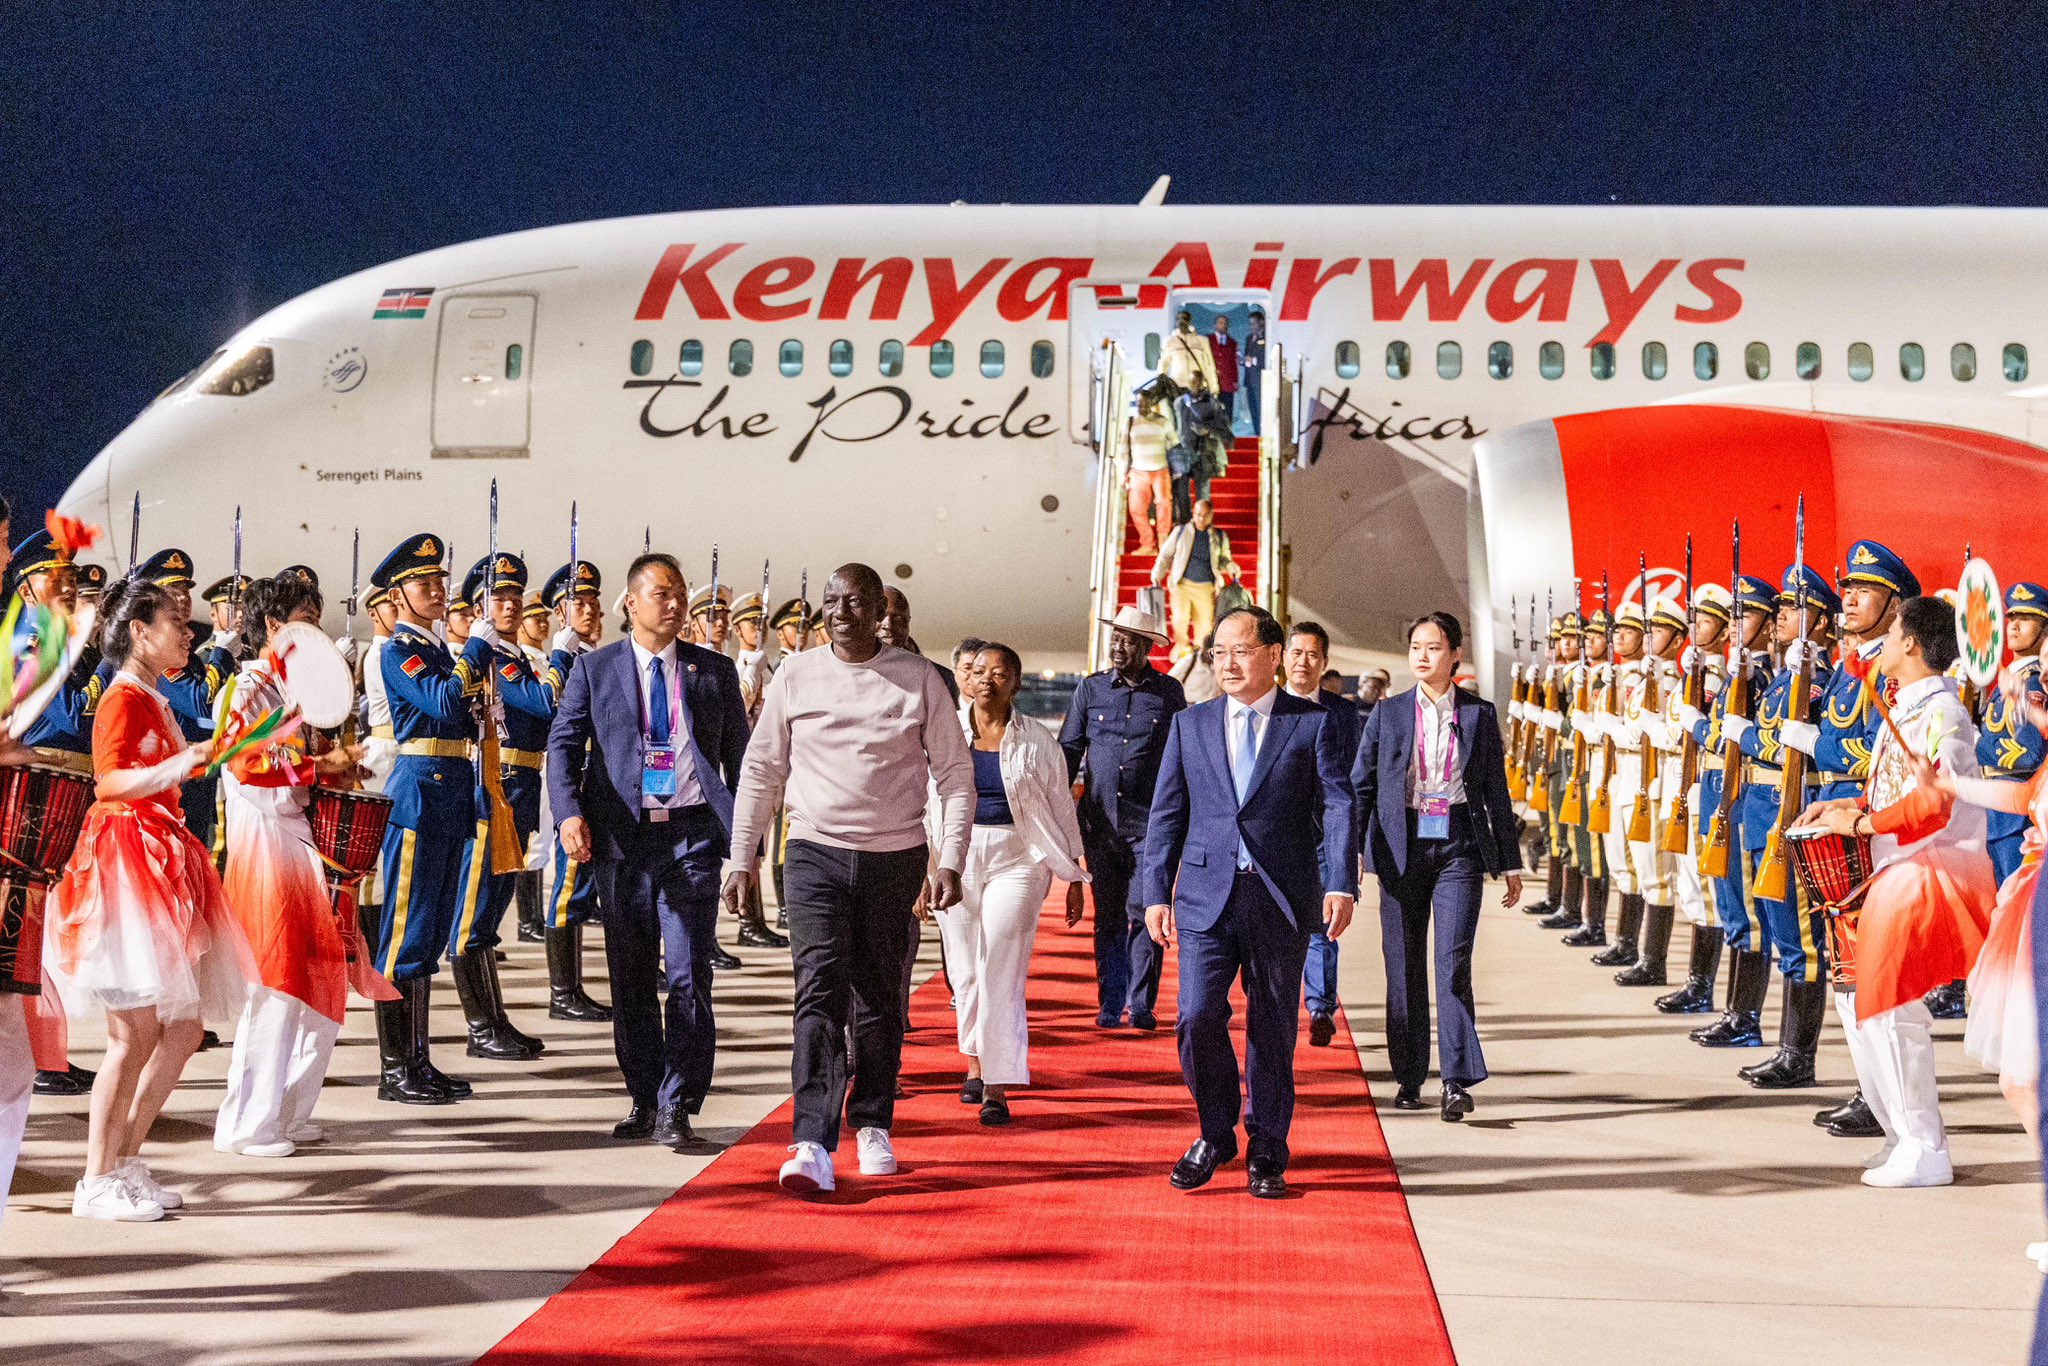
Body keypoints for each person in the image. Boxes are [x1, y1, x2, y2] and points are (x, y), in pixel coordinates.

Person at [722, 564, 972, 1195]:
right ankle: (810, 1138)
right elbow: (761, 770)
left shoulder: (918, 679)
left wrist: (950, 862)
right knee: (818, 991)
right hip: (813, 852)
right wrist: (740, 858)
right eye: (829, 601)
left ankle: (873, 1120)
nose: (837, 611)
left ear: (878, 611)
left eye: (853, 602)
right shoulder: (796, 673)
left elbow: (955, 776)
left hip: (896, 856)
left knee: (880, 998)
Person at [44, 576, 257, 1220]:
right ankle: (95, 1179)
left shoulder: (155, 697)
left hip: (161, 855)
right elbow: (108, 779)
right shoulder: (123, 696)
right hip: (125, 859)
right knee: (132, 1031)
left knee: (184, 1027)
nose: (187, 634)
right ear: (140, 631)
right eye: (176, 622)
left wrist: (208, 753)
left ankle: (126, 1160)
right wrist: (184, 760)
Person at [1140, 608, 1357, 1199]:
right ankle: (1216, 1130)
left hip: (1281, 896)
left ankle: (1268, 1145)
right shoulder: (1191, 724)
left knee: (1271, 1028)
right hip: (1206, 898)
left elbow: (1338, 807)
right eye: (1218, 653)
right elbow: (1167, 815)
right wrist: (1154, 891)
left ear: (1274, 654)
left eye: (1239, 651)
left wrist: (1341, 880)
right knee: (1195, 1016)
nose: (1227, 664)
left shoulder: (1310, 724)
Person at [549, 553, 750, 1149]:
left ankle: (678, 1102)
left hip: (690, 837)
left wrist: (745, 838)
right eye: (662, 593)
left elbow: (741, 761)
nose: (676, 603)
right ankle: (644, 1095)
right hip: (622, 840)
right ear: (631, 603)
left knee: (689, 972)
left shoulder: (713, 672)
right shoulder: (597, 669)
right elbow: (563, 745)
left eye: (680, 593)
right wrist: (569, 814)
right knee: (631, 975)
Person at [1801, 596, 1996, 1187]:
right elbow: (1893, 789)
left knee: (1890, 1011)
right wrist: (1850, 805)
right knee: (1857, 1003)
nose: (1881, 642)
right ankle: (1899, 1134)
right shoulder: (1908, 706)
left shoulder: (1944, 712)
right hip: (1892, 868)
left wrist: (1860, 826)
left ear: (1912, 643)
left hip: (1927, 871)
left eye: (1891, 633)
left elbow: (1937, 802)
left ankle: (1926, 1146)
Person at [213, 575, 392, 1158]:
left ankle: (288, 1110)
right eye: (305, 619)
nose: (315, 630)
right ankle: (248, 1124)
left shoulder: (298, 693)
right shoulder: (246, 689)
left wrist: (346, 764)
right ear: (273, 627)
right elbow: (246, 766)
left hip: (304, 840)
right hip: (266, 845)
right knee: (277, 984)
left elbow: (305, 763)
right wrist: (322, 768)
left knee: (322, 976)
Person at [1356, 612, 1522, 1120]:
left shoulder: (1476, 713)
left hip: (1458, 844)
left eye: (1434, 647)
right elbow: (1360, 786)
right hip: (1401, 845)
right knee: (1403, 969)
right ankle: (1409, 1076)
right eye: (1415, 648)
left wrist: (1509, 862)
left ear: (1454, 655)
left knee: (1452, 966)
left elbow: (1496, 789)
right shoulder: (1388, 713)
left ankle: (1456, 1079)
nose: (1423, 656)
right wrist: (1348, 859)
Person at [369, 533, 500, 1104]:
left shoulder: (440, 651)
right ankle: (395, 1070)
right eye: (425, 583)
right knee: (404, 936)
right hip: (419, 797)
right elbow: (443, 702)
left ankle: (418, 1061)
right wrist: (475, 650)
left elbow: (461, 710)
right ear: (398, 594)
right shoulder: (399, 651)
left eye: (440, 580)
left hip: (449, 798)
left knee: (427, 932)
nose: (438, 589)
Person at [934, 642, 1087, 1126]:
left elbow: (1062, 807)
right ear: (965, 677)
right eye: (978, 670)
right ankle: (975, 1062)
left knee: (1000, 963)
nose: (986, 680)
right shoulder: (941, 735)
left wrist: (1076, 873)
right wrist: (927, 867)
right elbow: (922, 804)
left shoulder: (1038, 739)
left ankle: (995, 1085)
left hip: (1018, 858)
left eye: (999, 673)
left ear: (1016, 683)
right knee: (965, 971)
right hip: (953, 859)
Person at [1725, 565, 1839, 1089]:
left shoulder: (1822, 683)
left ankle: (1800, 1055)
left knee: (1802, 942)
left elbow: (1784, 745)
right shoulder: (1781, 682)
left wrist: (1747, 736)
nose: (1778, 619)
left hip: (1790, 808)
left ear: (1820, 621)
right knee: (1777, 932)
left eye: (1794, 610)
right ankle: (1781, 1043)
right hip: (1760, 806)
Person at [446, 554, 560, 1062]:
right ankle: (480, 1026)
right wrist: (560, 660)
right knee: (473, 912)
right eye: (499, 597)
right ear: (477, 609)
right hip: (494, 783)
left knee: (492, 909)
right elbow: (542, 705)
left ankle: (494, 1021)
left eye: (516, 596)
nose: (511, 604)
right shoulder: (493, 658)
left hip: (520, 784)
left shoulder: (510, 656)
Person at [7, 529, 102, 1097]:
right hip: (35, 791)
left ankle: (49, 1056)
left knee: (39, 931)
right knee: (27, 928)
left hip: (58, 790)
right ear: (28, 587)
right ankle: (40, 1060)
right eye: (55, 576)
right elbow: (68, 714)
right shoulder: (30, 641)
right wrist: (108, 668)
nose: (67, 586)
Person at [1060, 606, 1184, 1029]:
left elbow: (1179, 758)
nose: (1118, 646)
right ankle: (1111, 1002)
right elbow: (1068, 752)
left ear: (1148, 647)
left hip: (1150, 826)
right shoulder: (1090, 690)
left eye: (1129, 640)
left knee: (1147, 909)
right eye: (1115, 637)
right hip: (1100, 827)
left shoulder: (1169, 694)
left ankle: (1143, 1004)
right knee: (1109, 915)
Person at [1678, 575, 1777, 1048]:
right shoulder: (1739, 674)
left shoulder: (1763, 679)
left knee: (1746, 910)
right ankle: (1735, 1012)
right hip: (1719, 786)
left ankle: (1746, 1018)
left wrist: (1701, 728)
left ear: (1769, 624)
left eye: (1747, 615)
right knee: (1727, 903)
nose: (1737, 625)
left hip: (1740, 792)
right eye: (1734, 616)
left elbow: (1749, 741)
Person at [1283, 622, 1363, 1047]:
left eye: (1312, 655)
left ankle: (1319, 1007)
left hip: (1326, 838)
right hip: (1277, 838)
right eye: (1296, 653)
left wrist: (1354, 847)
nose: (1303, 662)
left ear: (1325, 663)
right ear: (1282, 657)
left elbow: (1353, 784)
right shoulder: (1267, 707)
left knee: (1324, 925)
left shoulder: (1344, 714)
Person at [538, 559, 611, 1005]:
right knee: (568, 886)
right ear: (559, 613)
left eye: (593, 603)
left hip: (597, 783)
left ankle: (574, 988)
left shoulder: (597, 661)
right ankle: (563, 993)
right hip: (574, 784)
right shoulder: (558, 663)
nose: (589, 611)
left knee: (584, 887)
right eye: (577, 603)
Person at [1977, 582, 2047, 886]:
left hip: (2015, 818)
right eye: (2011, 618)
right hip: (1995, 812)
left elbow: (2028, 754)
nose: (2014, 626)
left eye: (2026, 619)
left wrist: (1978, 745)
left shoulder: (2032, 685)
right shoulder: (2008, 680)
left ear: (2045, 631)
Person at [1152, 501, 1237, 662]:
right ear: (1193, 513)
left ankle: (1199, 654)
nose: (1201, 519)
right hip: (1182, 584)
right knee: (1179, 618)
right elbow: (1165, 554)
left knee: (1205, 625)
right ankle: (1182, 646)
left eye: (1205, 515)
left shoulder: (1219, 536)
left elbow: (1224, 559)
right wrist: (1158, 573)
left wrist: (1230, 566)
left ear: (1211, 515)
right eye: (1198, 515)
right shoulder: (1181, 531)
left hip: (1206, 587)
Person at [1168, 378, 1233, 525]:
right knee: (1182, 486)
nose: (1194, 386)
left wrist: (1208, 432)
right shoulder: (1179, 403)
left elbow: (1222, 426)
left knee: (1202, 486)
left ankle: (1203, 521)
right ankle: (1185, 519)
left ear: (1202, 382)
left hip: (1203, 450)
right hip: (1184, 450)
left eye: (1196, 382)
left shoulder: (1211, 402)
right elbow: (1175, 426)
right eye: (1191, 382)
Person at [1126, 390, 1175, 555]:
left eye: (1145, 403)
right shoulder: (1130, 423)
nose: (1142, 406)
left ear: (1151, 403)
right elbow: (1122, 448)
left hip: (1160, 469)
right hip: (1138, 471)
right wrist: (1122, 472)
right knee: (1136, 508)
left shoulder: (1163, 422)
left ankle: (1163, 541)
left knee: (1164, 505)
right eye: (1139, 403)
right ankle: (1147, 543)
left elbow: (1174, 442)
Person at [1158, 309, 1216, 395]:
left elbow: (1208, 365)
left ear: (1189, 322)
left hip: (1198, 386)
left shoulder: (1201, 341)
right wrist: (1162, 386)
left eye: (1184, 320)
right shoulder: (1169, 342)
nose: (1182, 323)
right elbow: (1163, 365)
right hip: (1177, 387)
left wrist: (1213, 388)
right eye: (1179, 320)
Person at [1170, 631, 1221, 705]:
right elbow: (1170, 681)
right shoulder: (1189, 660)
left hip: (1212, 709)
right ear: (1204, 650)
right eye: (1210, 653)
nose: (1213, 657)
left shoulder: (1220, 664)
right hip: (1189, 708)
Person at [1209, 314, 1241, 430]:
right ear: (1215, 325)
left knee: (1228, 411)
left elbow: (1234, 364)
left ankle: (1227, 435)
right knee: (1213, 410)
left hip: (1228, 383)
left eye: (1225, 323)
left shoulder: (1233, 343)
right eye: (1220, 323)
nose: (1223, 325)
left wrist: (1235, 381)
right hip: (1212, 383)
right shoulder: (1208, 340)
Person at [1240, 310, 1268, 436]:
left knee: (1261, 408)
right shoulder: (1249, 338)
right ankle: (1257, 433)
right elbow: (1248, 356)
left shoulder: (1267, 337)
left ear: (1261, 322)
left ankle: (1263, 433)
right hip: (1250, 380)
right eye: (1250, 324)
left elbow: (1268, 358)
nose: (1252, 327)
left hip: (1261, 380)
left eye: (1254, 324)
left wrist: (1254, 360)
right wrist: (1242, 360)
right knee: (1253, 409)